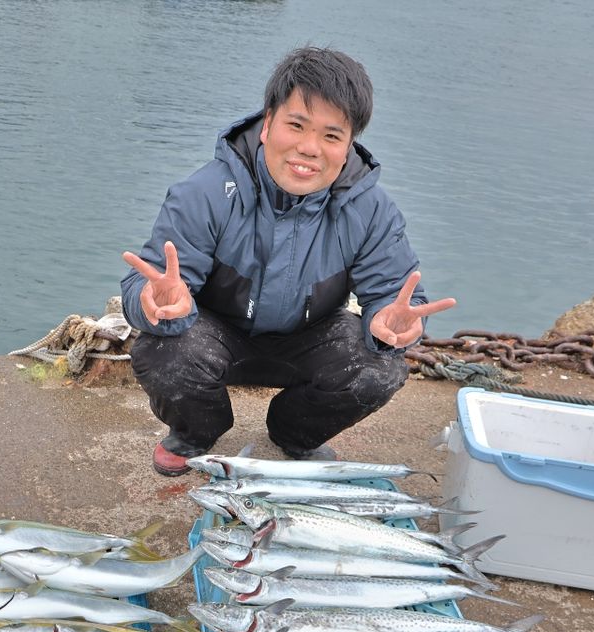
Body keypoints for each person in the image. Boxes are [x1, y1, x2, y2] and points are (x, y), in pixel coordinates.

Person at [120, 47, 456, 476]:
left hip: (308, 339)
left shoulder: (370, 209)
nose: (309, 148)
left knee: (379, 367)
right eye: (296, 125)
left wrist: (396, 325)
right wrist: (152, 300)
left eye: (331, 136)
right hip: (215, 335)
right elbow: (148, 281)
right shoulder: (203, 194)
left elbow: (396, 295)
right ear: (267, 123)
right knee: (165, 351)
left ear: (349, 143)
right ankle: (196, 433)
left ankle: (294, 434)